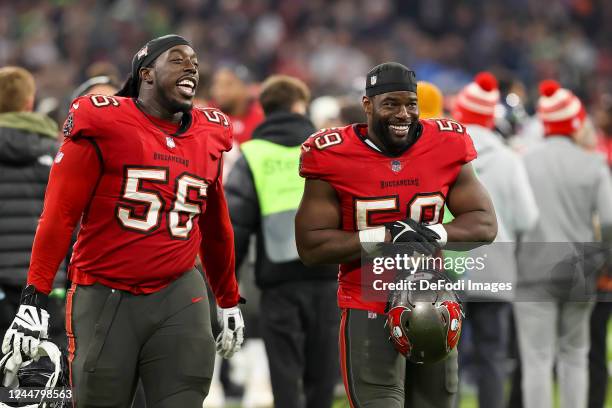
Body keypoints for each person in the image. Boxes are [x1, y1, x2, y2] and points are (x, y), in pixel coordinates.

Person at [1, 34, 245, 408]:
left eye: (194, 60)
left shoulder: (210, 132)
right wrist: (34, 295)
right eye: (178, 59)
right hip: (104, 291)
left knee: (183, 397)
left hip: (179, 289)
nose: (192, 67)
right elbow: (59, 215)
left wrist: (228, 298)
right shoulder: (102, 120)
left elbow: (215, 225)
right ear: (146, 74)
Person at [295, 62, 497, 408]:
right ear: (368, 105)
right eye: (391, 104)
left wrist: (429, 233)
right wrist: (383, 236)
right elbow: (311, 246)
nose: (403, 113)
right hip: (367, 299)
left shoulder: (447, 142)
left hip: (433, 300)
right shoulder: (331, 153)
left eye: (410, 104)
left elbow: (484, 224)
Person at [226, 75, 339, 408]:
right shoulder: (326, 149)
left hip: (277, 280)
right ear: (299, 105)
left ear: (265, 109)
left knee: (284, 372)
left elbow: (236, 227)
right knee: (323, 370)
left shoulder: (252, 154)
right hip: (326, 274)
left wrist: (227, 288)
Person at [515, 80, 612, 408]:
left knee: (537, 359)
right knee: (575, 355)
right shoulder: (594, 162)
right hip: (580, 266)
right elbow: (610, 219)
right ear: (575, 122)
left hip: (531, 266)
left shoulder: (523, 161)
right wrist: (603, 259)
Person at [451, 72, 539, 408]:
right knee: (492, 358)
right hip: (497, 270)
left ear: (460, 112)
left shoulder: (445, 155)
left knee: (448, 357)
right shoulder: (508, 158)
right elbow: (527, 218)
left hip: (451, 267)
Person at [0, 66, 66, 345]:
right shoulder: (56, 153)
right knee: (44, 375)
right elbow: (70, 219)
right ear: (29, 101)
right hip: (46, 284)